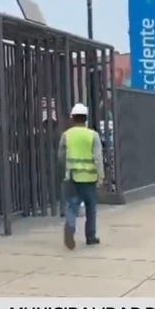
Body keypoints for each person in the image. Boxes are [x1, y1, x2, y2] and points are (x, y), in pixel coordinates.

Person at [57, 103, 104, 250]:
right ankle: (90, 237)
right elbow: (98, 157)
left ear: (72, 118)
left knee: (71, 206)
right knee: (91, 208)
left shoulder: (66, 135)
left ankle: (70, 233)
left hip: (71, 177)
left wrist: (63, 172)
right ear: (86, 118)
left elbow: (60, 156)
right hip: (89, 179)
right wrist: (100, 176)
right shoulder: (93, 135)